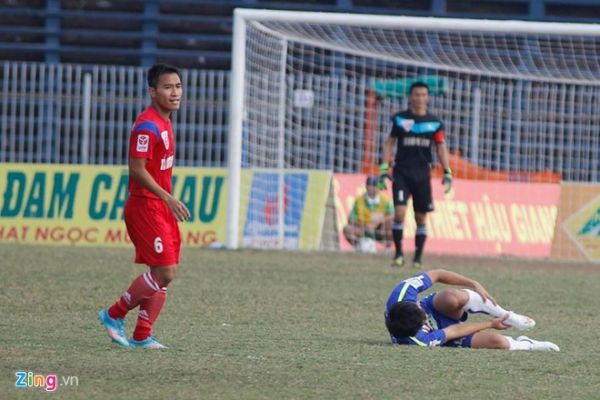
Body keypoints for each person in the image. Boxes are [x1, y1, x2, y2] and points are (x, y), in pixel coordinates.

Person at [98, 64, 191, 349]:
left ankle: (141, 335)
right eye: (167, 87)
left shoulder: (165, 121)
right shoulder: (147, 125)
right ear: (152, 92)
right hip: (146, 206)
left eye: (177, 86)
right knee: (164, 272)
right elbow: (137, 169)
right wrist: (167, 197)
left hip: (159, 206)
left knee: (164, 272)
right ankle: (113, 315)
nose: (174, 92)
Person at [384, 269, 559, 351]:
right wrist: (490, 324)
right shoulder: (418, 341)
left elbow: (436, 274)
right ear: (417, 330)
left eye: (419, 309)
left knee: (451, 297)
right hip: (445, 333)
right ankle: (528, 344)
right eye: (423, 321)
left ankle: (506, 315)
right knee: (499, 342)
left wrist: (473, 283)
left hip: (437, 307)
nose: (424, 318)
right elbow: (454, 331)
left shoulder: (402, 293)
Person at [379, 81, 453, 268]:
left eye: (423, 95)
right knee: (400, 212)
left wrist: (447, 171)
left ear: (428, 98)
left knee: (421, 217)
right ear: (410, 97)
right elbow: (389, 143)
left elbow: (441, 147)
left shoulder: (434, 123)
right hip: (402, 171)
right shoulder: (399, 119)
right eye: (416, 95)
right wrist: (383, 168)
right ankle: (398, 254)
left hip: (422, 174)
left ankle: (418, 258)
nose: (420, 98)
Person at [343, 175, 394, 251]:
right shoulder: (359, 200)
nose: (372, 188)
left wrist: (378, 222)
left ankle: (388, 247)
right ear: (366, 187)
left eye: (375, 186)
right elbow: (351, 219)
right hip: (363, 230)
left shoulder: (385, 200)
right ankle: (359, 245)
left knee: (391, 224)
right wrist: (364, 225)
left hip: (379, 230)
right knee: (347, 229)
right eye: (370, 186)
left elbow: (392, 215)